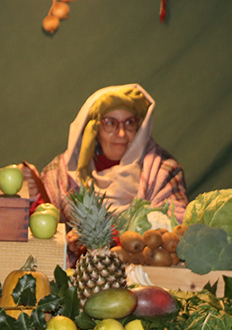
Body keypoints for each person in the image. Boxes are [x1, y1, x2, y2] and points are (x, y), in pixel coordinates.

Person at [38, 83, 188, 232]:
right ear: (95, 129)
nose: (121, 134)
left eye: (129, 122)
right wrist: (33, 188)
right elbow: (40, 219)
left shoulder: (163, 170)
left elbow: (177, 227)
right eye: (110, 123)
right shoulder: (61, 172)